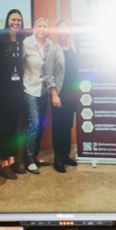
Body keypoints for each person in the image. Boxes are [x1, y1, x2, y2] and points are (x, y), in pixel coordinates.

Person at [0, 9, 29, 180]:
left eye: (19, 20)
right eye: (13, 19)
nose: (16, 22)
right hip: (2, 90)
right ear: (7, 21)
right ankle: (4, 163)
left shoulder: (22, 40)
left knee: (14, 126)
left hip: (17, 89)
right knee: (3, 128)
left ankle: (13, 161)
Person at [21, 15, 59, 172]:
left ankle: (36, 155)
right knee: (34, 123)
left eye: (45, 26)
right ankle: (28, 159)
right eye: (39, 26)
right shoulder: (26, 43)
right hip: (30, 88)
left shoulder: (50, 44)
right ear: (35, 28)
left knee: (41, 124)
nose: (42, 29)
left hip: (44, 90)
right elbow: (19, 63)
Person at [50, 20, 81, 171]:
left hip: (72, 94)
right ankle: (58, 159)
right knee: (58, 127)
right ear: (57, 32)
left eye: (66, 29)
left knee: (68, 125)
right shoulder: (53, 50)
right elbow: (49, 75)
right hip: (59, 94)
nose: (64, 32)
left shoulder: (72, 48)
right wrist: (54, 94)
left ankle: (66, 155)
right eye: (61, 29)